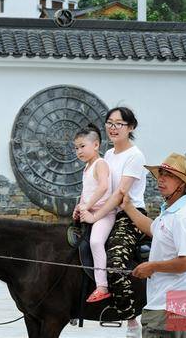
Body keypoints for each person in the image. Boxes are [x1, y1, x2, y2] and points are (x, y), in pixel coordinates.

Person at [120, 153, 186, 338]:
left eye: (169, 175)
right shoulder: (170, 212)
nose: (161, 179)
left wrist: (152, 266)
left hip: (167, 307)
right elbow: (153, 228)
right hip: (168, 303)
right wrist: (128, 207)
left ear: (181, 185)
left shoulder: (183, 216)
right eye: (161, 173)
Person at [82, 107, 146, 337]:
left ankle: (130, 319)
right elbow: (100, 188)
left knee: (116, 260)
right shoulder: (108, 155)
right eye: (110, 122)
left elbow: (120, 194)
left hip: (130, 215)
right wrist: (84, 206)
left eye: (119, 123)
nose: (113, 127)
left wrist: (95, 216)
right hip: (107, 212)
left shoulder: (135, 156)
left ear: (131, 127)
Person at [71, 124, 115, 303]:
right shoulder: (87, 168)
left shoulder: (100, 164)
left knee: (96, 242)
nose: (79, 151)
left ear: (96, 145)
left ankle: (102, 286)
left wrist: (87, 205)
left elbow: (104, 186)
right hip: (89, 211)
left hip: (104, 213)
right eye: (76, 148)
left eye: (82, 146)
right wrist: (79, 206)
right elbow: (86, 191)